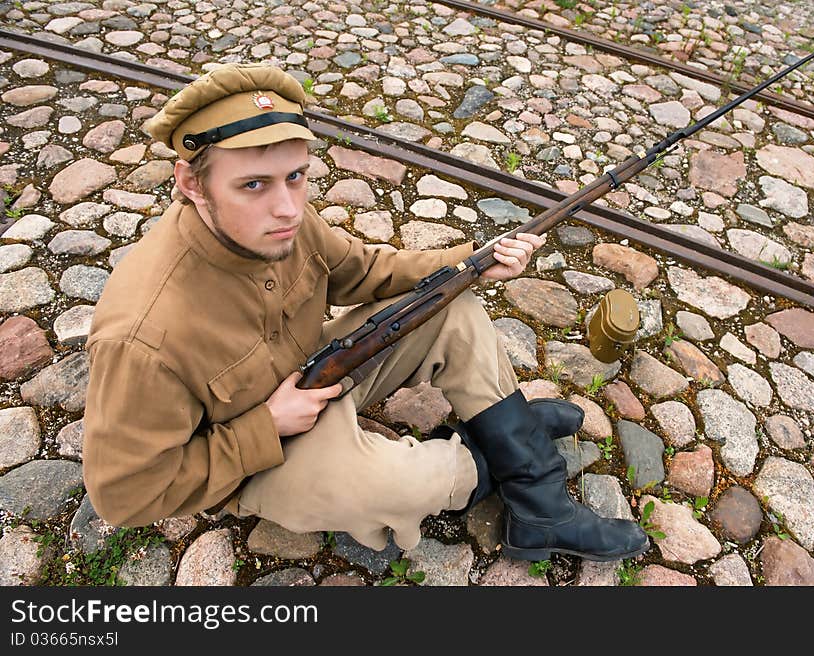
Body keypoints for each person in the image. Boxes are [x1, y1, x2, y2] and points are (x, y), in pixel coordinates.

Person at [82, 63, 648, 563]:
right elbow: (125, 495)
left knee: (451, 305)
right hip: (251, 463)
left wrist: (471, 261)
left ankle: (538, 507)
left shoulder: (281, 222)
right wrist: (264, 427)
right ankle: (502, 442)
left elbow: (362, 271)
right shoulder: (143, 336)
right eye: (253, 184)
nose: (286, 207)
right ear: (191, 183)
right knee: (409, 482)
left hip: (318, 374)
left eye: (296, 177)